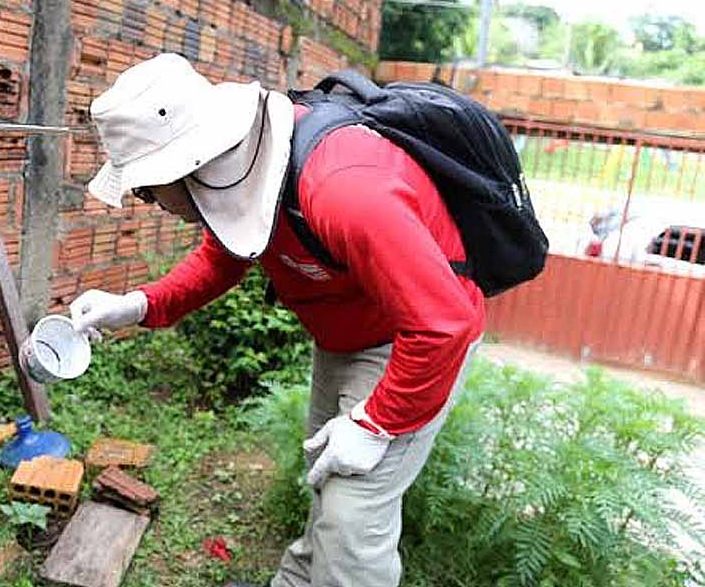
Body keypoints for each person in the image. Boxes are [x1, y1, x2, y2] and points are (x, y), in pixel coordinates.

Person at [69, 53, 485, 587]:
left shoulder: (346, 188)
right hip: (344, 337)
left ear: (182, 165)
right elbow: (223, 256)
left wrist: (378, 423)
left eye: (146, 190)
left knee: (353, 519)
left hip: (412, 345)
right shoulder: (245, 171)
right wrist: (139, 304)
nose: (149, 203)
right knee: (328, 485)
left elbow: (442, 322)